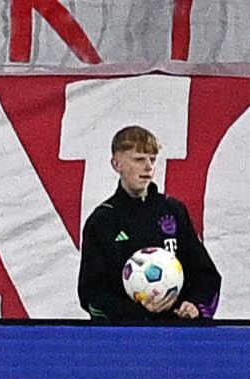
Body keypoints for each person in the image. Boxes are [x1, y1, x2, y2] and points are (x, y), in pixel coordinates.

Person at [75, 124, 217, 319]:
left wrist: (195, 306)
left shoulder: (173, 210)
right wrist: (138, 314)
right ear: (116, 164)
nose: (148, 167)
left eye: (152, 159)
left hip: (176, 334)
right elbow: (91, 294)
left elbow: (207, 275)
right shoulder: (103, 220)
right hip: (126, 339)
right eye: (139, 159)